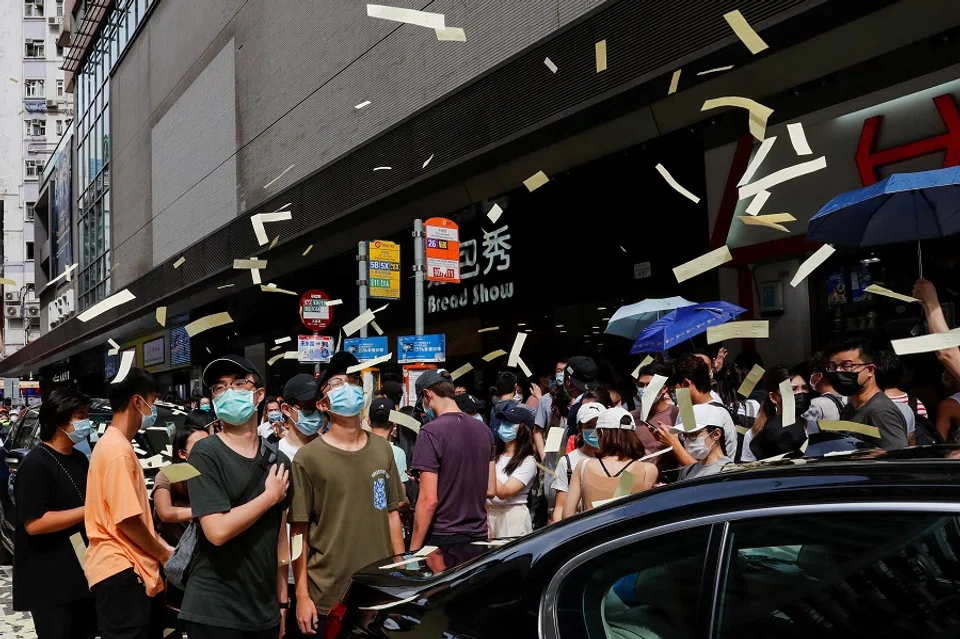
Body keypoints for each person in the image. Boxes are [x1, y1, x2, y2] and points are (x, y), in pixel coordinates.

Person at [290, 352, 405, 636]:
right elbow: (298, 532)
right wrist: (302, 596)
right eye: (336, 384)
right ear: (322, 404)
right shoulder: (308, 458)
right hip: (328, 594)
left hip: (378, 590)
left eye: (352, 381)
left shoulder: (382, 449)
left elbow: (391, 514)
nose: (348, 388)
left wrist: (401, 571)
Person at [180, 356, 291, 638]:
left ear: (259, 394)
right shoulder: (205, 454)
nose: (229, 392)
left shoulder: (278, 460)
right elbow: (216, 531)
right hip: (215, 610)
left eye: (239, 384)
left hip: (262, 609)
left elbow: (280, 538)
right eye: (219, 387)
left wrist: (282, 601)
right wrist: (269, 497)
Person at [85, 368, 173, 639]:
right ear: (138, 402)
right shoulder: (118, 451)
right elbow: (127, 520)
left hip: (122, 571)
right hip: (123, 571)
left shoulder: (112, 444)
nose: (154, 409)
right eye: (153, 401)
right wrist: (163, 552)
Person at [13, 388, 97, 639]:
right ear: (60, 419)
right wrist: (88, 511)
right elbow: (34, 524)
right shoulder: (36, 464)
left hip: (81, 574)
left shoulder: (80, 459)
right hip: (49, 580)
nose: (86, 422)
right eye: (80, 415)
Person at [410, 369, 496, 549]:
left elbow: (428, 500)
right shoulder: (484, 431)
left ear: (427, 394)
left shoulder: (430, 432)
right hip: (478, 536)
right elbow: (490, 489)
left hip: (443, 537)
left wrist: (413, 550)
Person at [561, 407, 657, 517]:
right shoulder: (647, 470)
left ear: (600, 433)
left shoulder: (583, 466)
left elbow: (567, 515)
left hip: (593, 531)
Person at [653, 354, 737, 467]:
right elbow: (688, 447)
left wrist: (672, 442)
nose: (675, 394)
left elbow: (699, 468)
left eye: (675, 389)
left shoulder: (710, 413)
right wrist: (673, 435)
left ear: (686, 384)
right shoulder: (688, 405)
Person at [826, 339, 908, 450]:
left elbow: (897, 459)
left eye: (847, 366)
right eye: (833, 367)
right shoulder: (849, 409)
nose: (838, 372)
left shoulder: (880, 412)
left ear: (870, 370)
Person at [487, 404, 538, 538]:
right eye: (503, 422)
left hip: (513, 518)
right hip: (488, 516)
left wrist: (483, 464)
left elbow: (504, 492)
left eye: (509, 423)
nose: (504, 426)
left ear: (522, 429)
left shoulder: (528, 461)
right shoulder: (494, 456)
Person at [154, 426, 209, 545]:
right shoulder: (169, 474)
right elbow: (165, 513)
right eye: (200, 446)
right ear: (182, 454)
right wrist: (205, 511)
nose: (208, 450)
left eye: (210, 444)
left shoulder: (215, 473)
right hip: (178, 549)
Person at [741, 367, 809, 462]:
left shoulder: (813, 429)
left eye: (804, 388)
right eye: (793, 389)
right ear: (773, 397)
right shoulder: (754, 435)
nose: (801, 393)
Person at [551, 402, 603, 523]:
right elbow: (560, 505)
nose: (595, 430)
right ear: (580, 429)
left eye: (599, 425)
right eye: (590, 426)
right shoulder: (567, 462)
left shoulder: (616, 459)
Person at [672, 414, 732, 480]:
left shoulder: (729, 471)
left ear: (716, 434)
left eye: (693, 434)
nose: (688, 440)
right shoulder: (688, 470)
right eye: (685, 435)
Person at [369, 397, 408, 487]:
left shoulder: (358, 447)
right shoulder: (397, 453)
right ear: (394, 422)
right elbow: (400, 497)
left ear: (369, 421)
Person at [805, 353, 847, 422]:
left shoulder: (816, 404)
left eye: (813, 372)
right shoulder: (849, 400)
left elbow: (806, 430)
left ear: (818, 376)